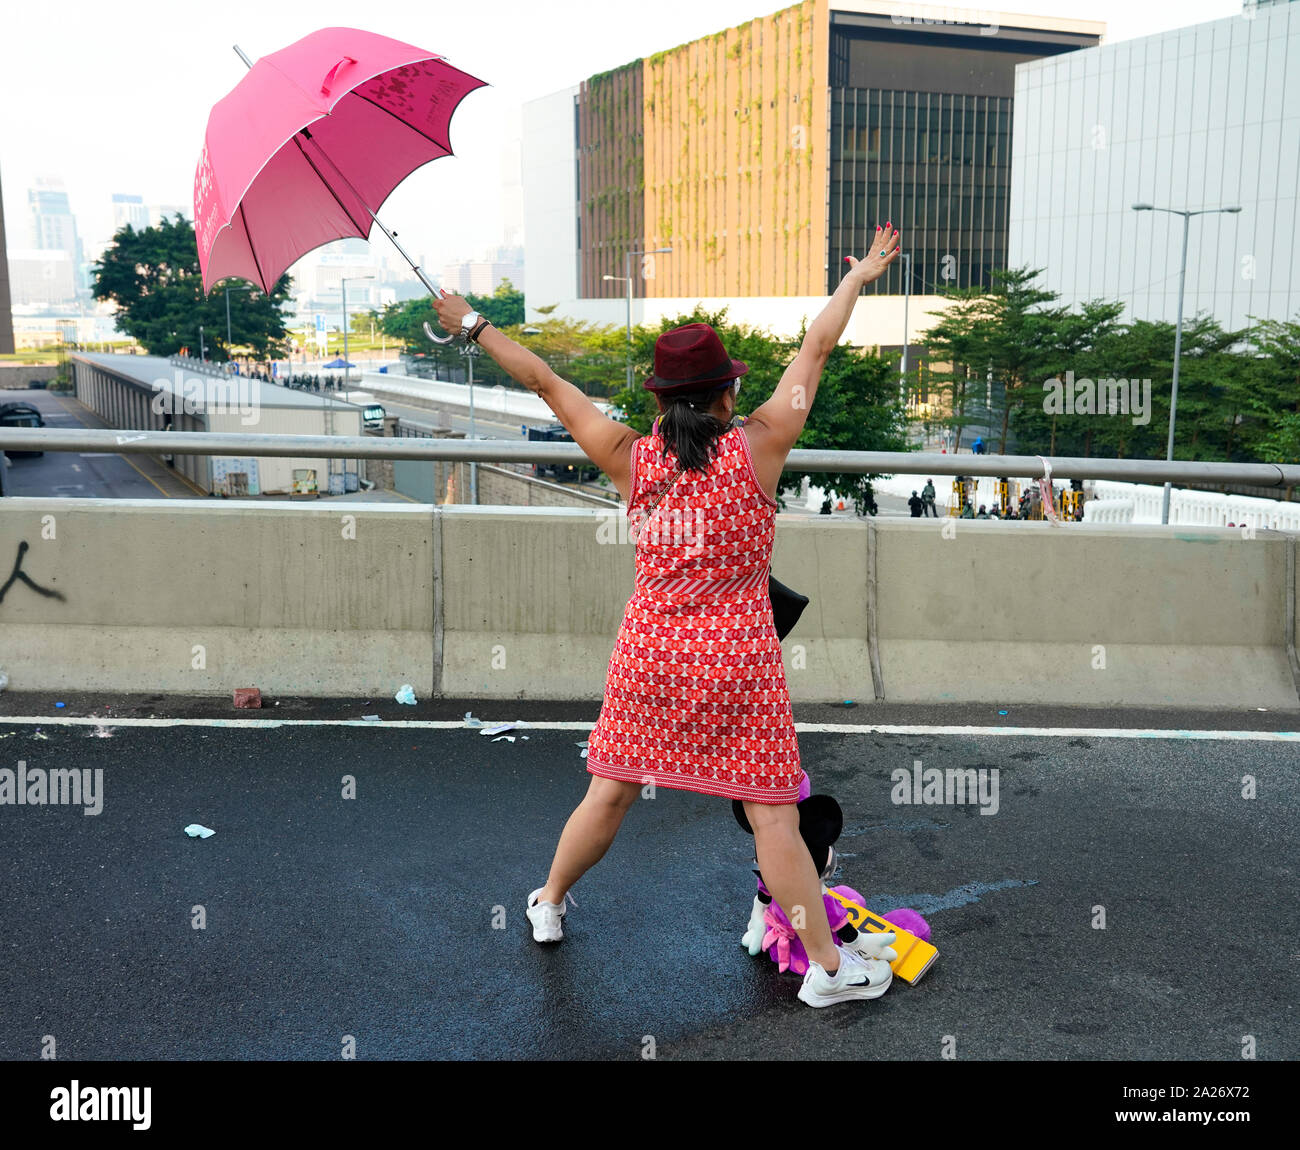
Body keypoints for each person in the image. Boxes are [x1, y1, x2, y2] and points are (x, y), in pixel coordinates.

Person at [432, 226, 904, 1008]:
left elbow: (547, 383)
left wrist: (473, 324)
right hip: (738, 660)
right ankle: (827, 970)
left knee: (609, 793)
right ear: (725, 394)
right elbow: (816, 350)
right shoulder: (760, 444)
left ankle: (547, 903)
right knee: (773, 818)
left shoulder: (629, 454)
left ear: (659, 398)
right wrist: (857, 280)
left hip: (649, 654)